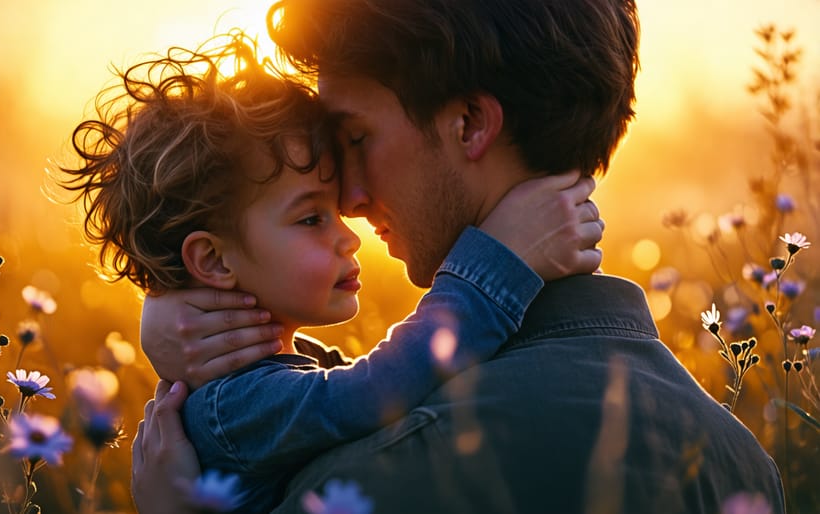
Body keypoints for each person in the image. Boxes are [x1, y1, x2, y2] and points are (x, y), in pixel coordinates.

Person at [133, 0, 787, 512]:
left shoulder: (380, 476)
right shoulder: (744, 465)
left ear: (470, 123)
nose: (352, 201)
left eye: (357, 138)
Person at [58, 34, 603, 513]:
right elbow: (373, 393)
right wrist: (494, 267)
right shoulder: (237, 404)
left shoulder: (258, 385)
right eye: (312, 217)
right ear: (215, 261)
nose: (350, 231)